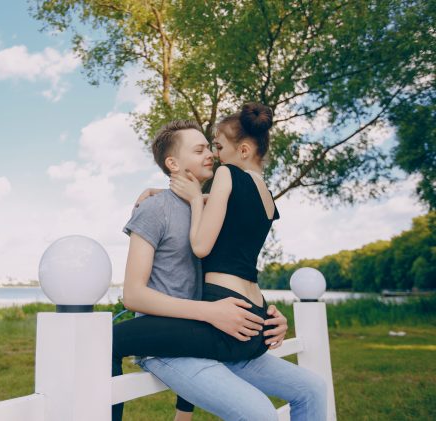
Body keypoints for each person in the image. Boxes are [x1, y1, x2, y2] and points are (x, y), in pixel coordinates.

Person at [112, 104, 327, 421]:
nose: (211, 154)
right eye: (199, 149)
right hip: (173, 340)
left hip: (216, 331)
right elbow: (133, 294)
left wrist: (266, 315)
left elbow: (235, 251)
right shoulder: (155, 209)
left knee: (313, 389)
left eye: (211, 147)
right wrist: (211, 312)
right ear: (173, 163)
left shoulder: (211, 207)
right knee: (261, 414)